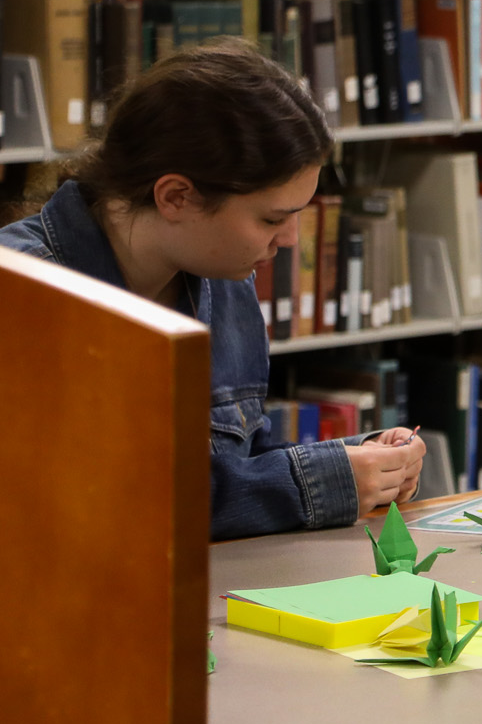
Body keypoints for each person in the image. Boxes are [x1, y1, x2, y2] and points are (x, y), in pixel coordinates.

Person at [0, 41, 427, 539]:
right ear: (176, 196)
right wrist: (317, 482)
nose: (290, 241)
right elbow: (90, 507)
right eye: (272, 218)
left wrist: (364, 463)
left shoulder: (222, 276)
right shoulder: (23, 295)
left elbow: (235, 464)